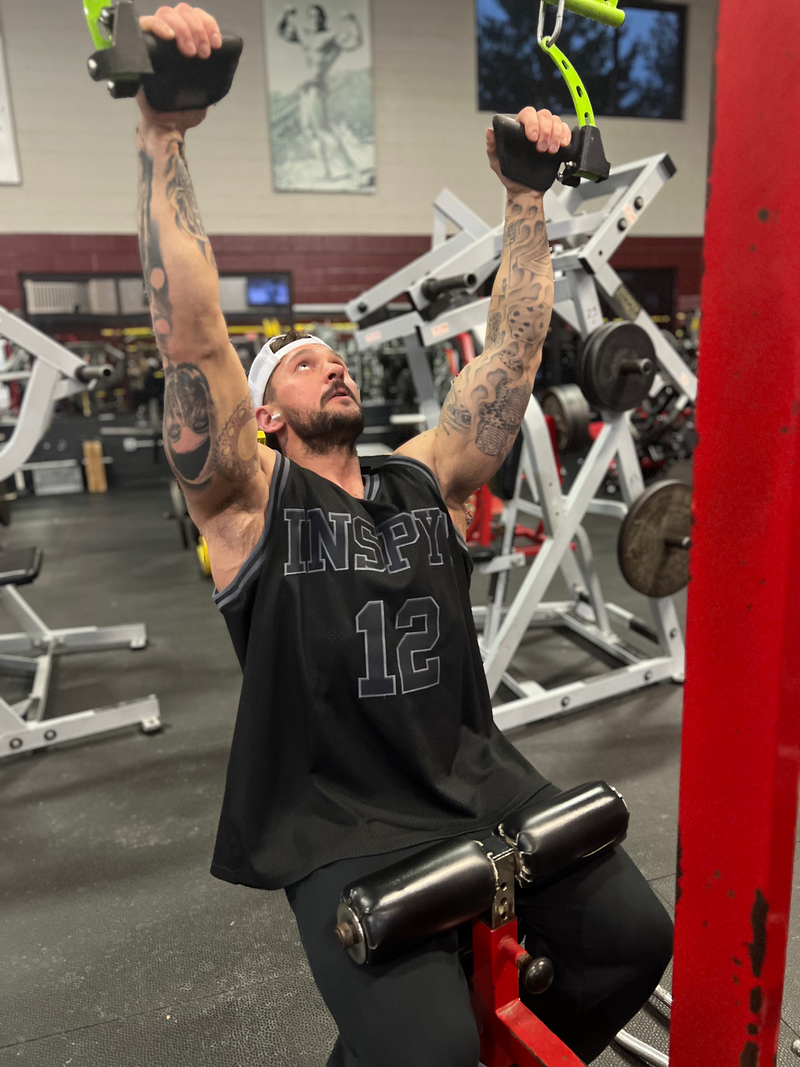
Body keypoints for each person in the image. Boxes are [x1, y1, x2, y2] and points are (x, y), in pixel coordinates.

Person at [135, 8, 673, 1065]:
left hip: (476, 776)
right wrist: (164, 139)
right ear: (266, 415)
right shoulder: (249, 505)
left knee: (631, 940)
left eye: (337, 356)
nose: (332, 363)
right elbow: (191, 337)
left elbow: (512, 362)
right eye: (300, 362)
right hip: (336, 824)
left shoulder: (417, 475)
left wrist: (526, 205)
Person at [277, 4, 363, 182]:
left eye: (318, 16)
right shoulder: (305, 35)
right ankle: (326, 172)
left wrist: (353, 21)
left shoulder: (330, 37)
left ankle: (353, 170)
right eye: (311, 16)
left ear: (324, 18)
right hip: (305, 87)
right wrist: (285, 15)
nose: (314, 19)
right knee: (308, 130)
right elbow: (282, 32)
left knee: (323, 130)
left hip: (317, 85)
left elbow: (355, 41)